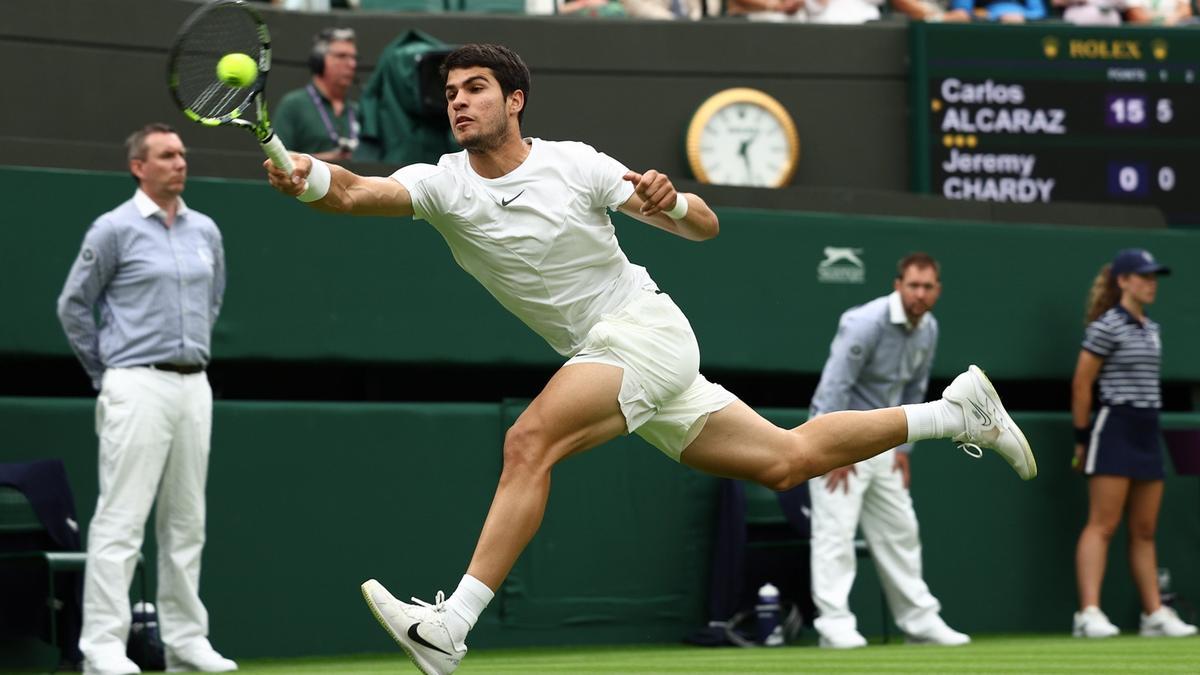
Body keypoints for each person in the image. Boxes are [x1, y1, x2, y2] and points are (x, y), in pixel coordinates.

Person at [262, 44, 1036, 675]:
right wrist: (308, 178)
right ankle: (954, 411)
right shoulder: (441, 184)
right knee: (788, 460)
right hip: (607, 354)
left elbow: (706, 227)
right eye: (451, 91)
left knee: (529, 440)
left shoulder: (576, 165)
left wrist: (670, 202)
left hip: (644, 332)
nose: (458, 100)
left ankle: (450, 626)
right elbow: (356, 192)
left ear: (515, 100)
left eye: (476, 88)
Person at [56, 123, 235, 675]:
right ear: (139, 166)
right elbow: (73, 307)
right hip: (134, 383)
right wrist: (108, 373)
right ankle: (102, 647)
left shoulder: (205, 230)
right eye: (166, 155)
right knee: (121, 520)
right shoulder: (112, 229)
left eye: (182, 154)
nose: (179, 162)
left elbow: (213, 301)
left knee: (187, 521)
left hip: (193, 384)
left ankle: (185, 641)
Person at [808, 253, 970, 649]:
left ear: (938, 291)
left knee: (901, 531)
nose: (920, 294)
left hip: (885, 445)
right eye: (913, 285)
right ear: (898, 285)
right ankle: (835, 625)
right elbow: (834, 388)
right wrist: (835, 450)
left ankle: (919, 621)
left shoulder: (928, 328)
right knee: (835, 533)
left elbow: (915, 390)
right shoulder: (865, 322)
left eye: (927, 287)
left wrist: (905, 450)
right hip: (839, 441)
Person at [1070, 249, 1196, 640]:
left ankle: (1153, 613)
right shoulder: (1107, 326)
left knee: (1144, 529)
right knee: (1103, 524)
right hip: (1115, 427)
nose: (1150, 282)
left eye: (1153, 276)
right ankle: (1088, 613)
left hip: (1147, 429)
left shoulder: (1151, 328)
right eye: (1142, 276)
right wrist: (1081, 438)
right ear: (1122, 281)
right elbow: (1081, 383)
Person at [273, 27, 359, 162]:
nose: (352, 64)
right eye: (341, 56)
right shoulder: (294, 105)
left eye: (354, 58)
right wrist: (325, 161)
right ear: (318, 61)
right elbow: (277, 160)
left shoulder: (357, 110)